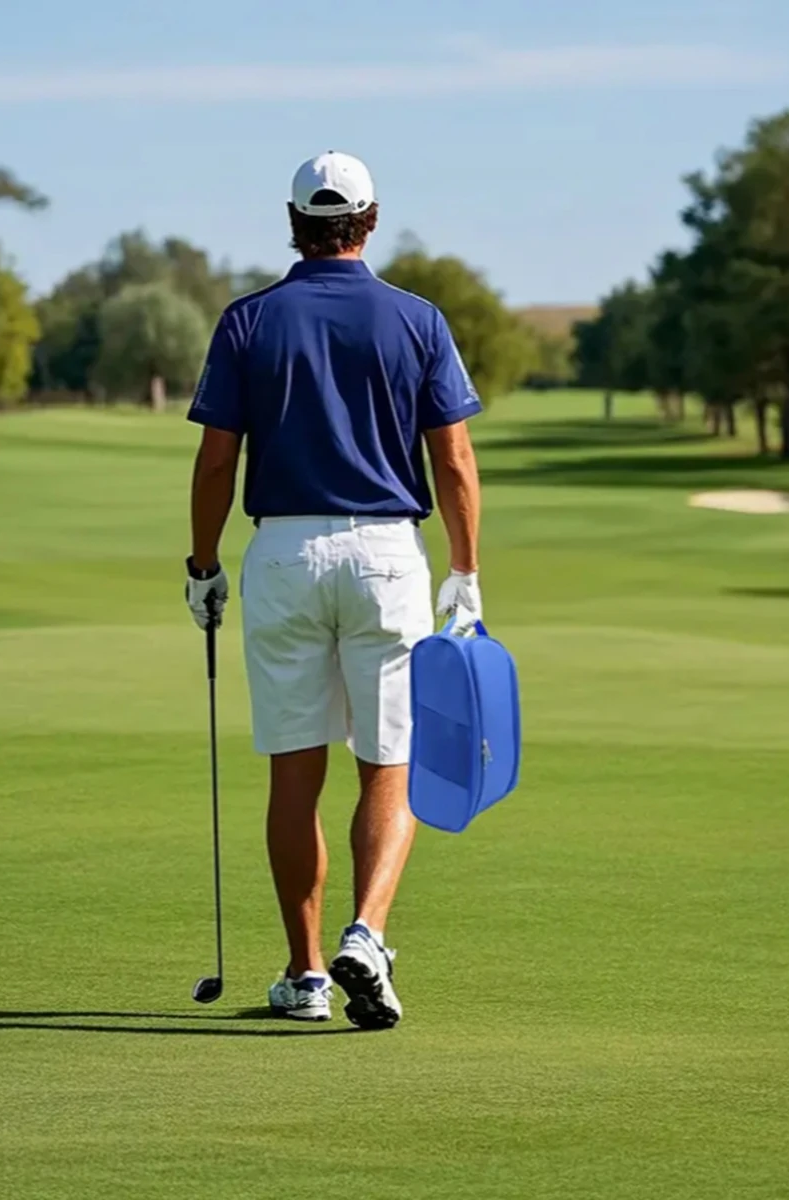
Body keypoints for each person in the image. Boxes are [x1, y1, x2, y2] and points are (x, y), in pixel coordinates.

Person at [184, 151, 483, 1030]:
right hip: (388, 556)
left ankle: (308, 975)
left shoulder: (247, 320)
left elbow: (216, 462)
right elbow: (453, 459)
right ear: (371, 219)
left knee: (295, 768)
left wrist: (202, 566)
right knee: (389, 762)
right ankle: (368, 933)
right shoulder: (417, 320)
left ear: (293, 223)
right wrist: (465, 572)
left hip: (282, 555)